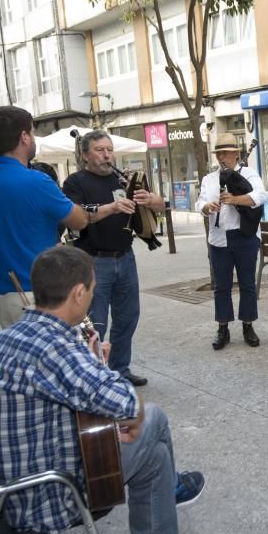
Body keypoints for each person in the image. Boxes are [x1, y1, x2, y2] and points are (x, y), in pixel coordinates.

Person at [0, 246, 207, 534]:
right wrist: (118, 395)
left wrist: (93, 363)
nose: (92, 296)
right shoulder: (53, 347)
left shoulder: (7, 338)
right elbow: (127, 404)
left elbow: (73, 393)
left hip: (9, 484)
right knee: (154, 416)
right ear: (78, 293)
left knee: (153, 459)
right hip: (46, 495)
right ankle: (169, 501)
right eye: (92, 290)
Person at [0, 106, 88, 329]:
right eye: (32, 132)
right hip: (34, 295)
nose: (33, 138)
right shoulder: (37, 182)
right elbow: (79, 220)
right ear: (24, 137)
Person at [62, 130, 165, 388]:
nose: (107, 154)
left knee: (128, 317)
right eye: (99, 149)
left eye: (109, 149)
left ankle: (120, 369)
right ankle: (95, 376)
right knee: (95, 323)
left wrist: (152, 200)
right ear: (85, 155)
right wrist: (111, 207)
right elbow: (74, 217)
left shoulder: (125, 179)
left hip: (126, 257)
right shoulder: (75, 182)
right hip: (93, 262)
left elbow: (162, 206)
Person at [197, 134, 267, 350]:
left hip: (244, 235)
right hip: (218, 237)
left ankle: (248, 325)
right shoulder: (209, 179)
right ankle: (223, 328)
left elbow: (261, 196)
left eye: (225, 153)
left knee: (247, 284)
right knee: (221, 286)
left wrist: (234, 199)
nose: (221, 157)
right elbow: (199, 202)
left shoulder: (249, 174)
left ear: (236, 154)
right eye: (219, 153)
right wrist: (207, 207)